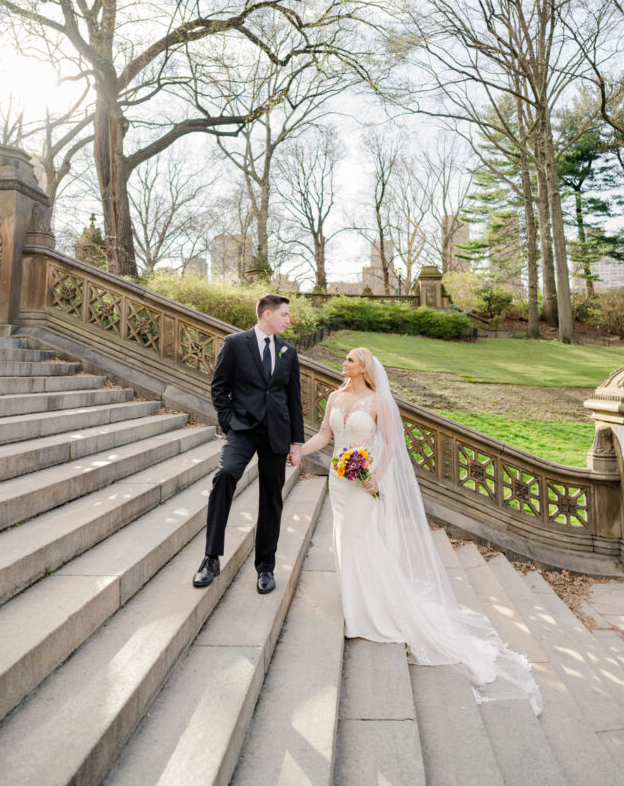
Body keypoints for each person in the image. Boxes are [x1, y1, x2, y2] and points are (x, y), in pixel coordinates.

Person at [290, 346, 542, 714]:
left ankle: (369, 612)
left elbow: (392, 445)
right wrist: (300, 451)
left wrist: (375, 474)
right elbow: (325, 434)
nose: (343, 363)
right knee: (343, 537)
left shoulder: (378, 402)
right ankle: (354, 603)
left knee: (359, 536)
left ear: (364, 368)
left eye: (350, 360)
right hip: (339, 477)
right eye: (344, 359)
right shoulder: (334, 396)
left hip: (362, 479)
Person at [193, 294, 304, 594]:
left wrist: (296, 442)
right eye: (284, 314)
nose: (288, 320)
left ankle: (265, 567)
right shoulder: (235, 344)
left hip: (276, 434)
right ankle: (210, 558)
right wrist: (229, 423)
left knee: (271, 497)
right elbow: (219, 387)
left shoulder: (288, 352)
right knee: (225, 475)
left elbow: (293, 399)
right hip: (242, 429)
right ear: (266, 314)